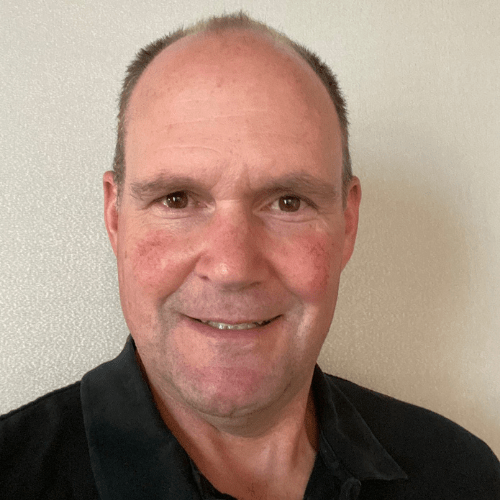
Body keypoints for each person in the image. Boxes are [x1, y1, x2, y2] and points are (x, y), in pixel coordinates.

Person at [1, 12, 499, 500]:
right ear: (115, 216)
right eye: (177, 199)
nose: (232, 268)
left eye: (288, 202)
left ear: (347, 223)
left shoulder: (463, 476)